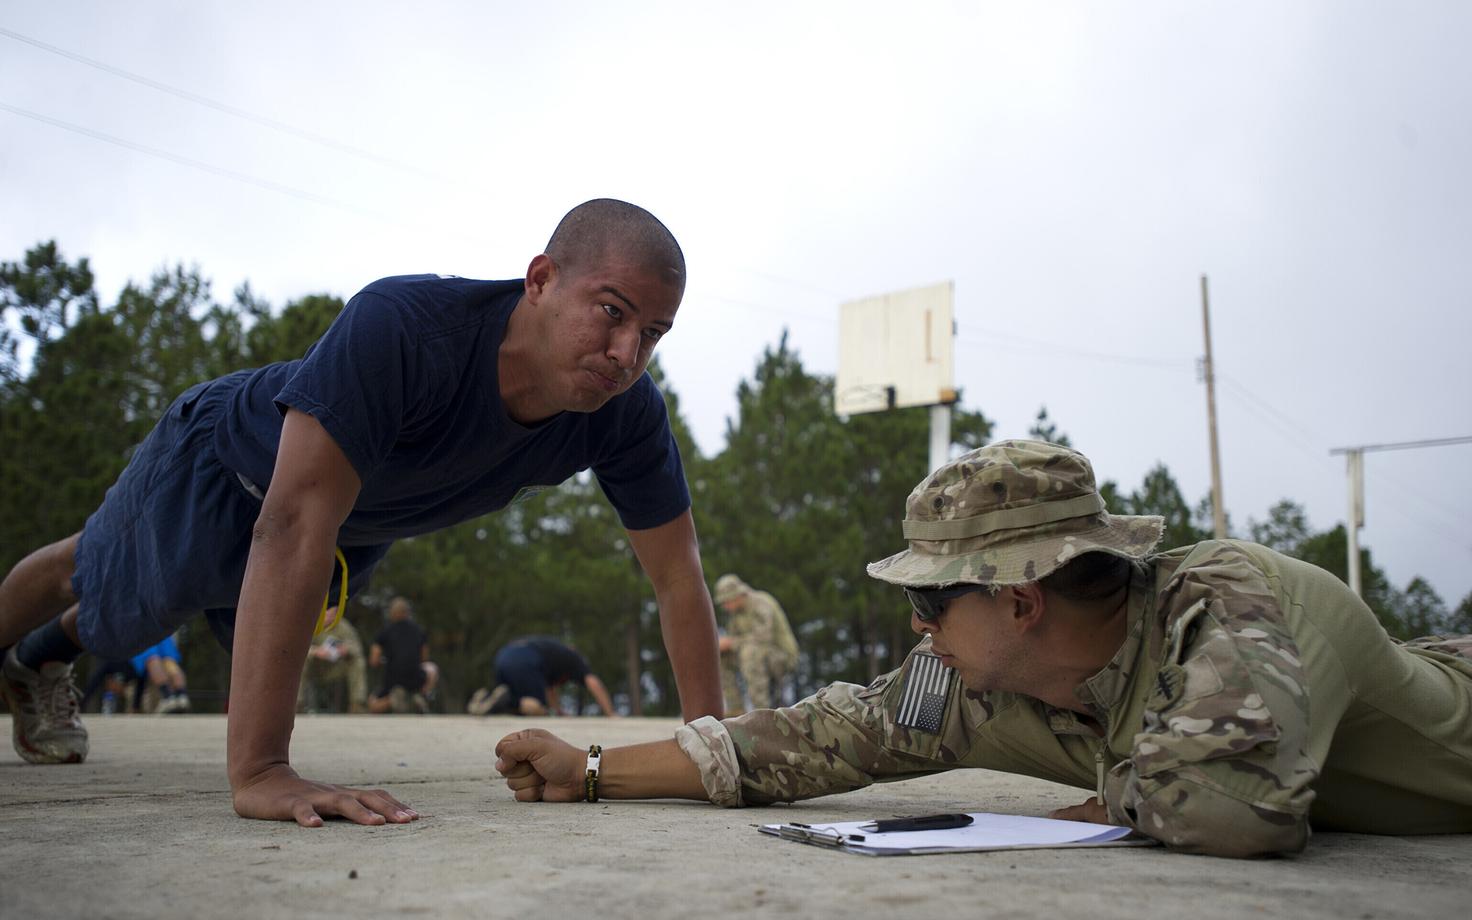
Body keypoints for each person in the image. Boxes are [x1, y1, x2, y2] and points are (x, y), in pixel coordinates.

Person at [0, 198, 725, 827]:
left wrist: (713, 752)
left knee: (140, 613)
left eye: (654, 333)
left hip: (341, 527)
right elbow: (287, 526)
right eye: (612, 312)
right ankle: (34, 644)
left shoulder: (623, 412)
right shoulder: (406, 329)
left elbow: (676, 575)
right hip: (227, 462)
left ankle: (38, 658)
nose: (629, 353)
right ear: (540, 280)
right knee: (93, 572)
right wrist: (261, 771)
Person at [495, 440, 1472, 858]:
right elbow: (814, 734)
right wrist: (583, 768)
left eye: (928, 598)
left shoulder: (1234, 605)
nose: (913, 627)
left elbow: (1232, 809)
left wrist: (1115, 793)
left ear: (1018, 600)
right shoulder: (978, 679)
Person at [468, 636, 619, 717]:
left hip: (503, 657)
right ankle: (506, 702)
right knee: (538, 709)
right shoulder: (574, 658)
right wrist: (610, 713)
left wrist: (558, 711)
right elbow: (594, 683)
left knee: (516, 702)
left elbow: (550, 689)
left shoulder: (553, 653)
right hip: (525, 661)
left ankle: (487, 697)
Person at [712, 574, 798, 714]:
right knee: (722, 656)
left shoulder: (761, 603)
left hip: (782, 656)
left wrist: (731, 642)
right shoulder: (736, 614)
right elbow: (736, 640)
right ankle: (736, 710)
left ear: (737, 595)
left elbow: (763, 637)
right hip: (758, 654)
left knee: (750, 652)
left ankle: (762, 712)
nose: (725, 606)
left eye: (726, 601)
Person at [366, 598, 437, 714]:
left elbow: (373, 661)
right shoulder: (419, 631)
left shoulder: (384, 633)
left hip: (392, 679)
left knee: (372, 705)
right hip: (416, 678)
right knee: (432, 668)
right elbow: (424, 658)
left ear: (392, 613)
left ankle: (391, 701)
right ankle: (420, 696)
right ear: (407, 613)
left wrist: (384, 661)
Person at [297, 607, 367, 714]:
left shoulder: (343, 626)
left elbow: (356, 647)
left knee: (357, 661)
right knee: (300, 662)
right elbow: (297, 649)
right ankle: (297, 704)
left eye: (331, 614)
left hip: (335, 668)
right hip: (314, 668)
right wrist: (316, 651)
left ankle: (357, 704)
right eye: (325, 613)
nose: (328, 617)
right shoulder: (310, 623)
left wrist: (346, 649)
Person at [131, 633, 191, 714]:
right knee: (168, 659)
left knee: (150, 657)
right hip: (162, 626)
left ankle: (168, 697)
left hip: (141, 627)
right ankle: (181, 695)